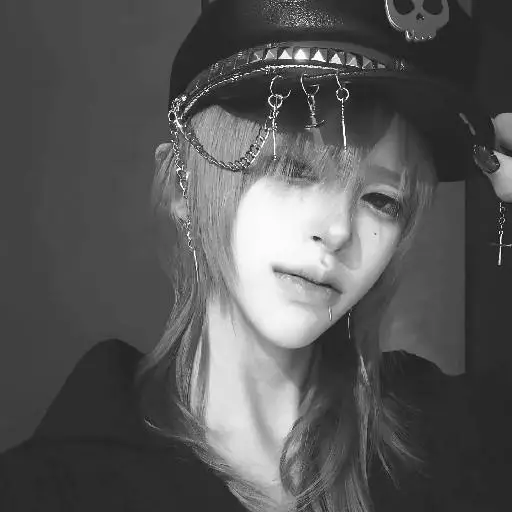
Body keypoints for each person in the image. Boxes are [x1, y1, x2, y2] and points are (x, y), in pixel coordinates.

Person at [1, 0, 512, 511]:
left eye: (381, 201)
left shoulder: (447, 436)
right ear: (181, 187)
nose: (337, 231)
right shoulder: (49, 488)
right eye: (294, 169)